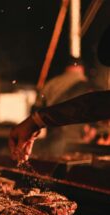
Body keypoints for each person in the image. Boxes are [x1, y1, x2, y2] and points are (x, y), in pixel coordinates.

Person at [9, 25, 110, 162]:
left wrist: (35, 120)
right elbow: (94, 105)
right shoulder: (88, 84)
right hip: (68, 141)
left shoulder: (51, 84)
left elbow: (95, 105)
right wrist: (35, 121)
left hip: (56, 139)